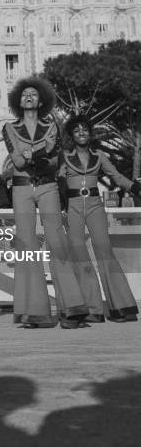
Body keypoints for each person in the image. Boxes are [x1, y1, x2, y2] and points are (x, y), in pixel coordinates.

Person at [2, 76, 88, 329]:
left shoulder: (53, 127)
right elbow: (17, 162)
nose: (29, 97)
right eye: (24, 94)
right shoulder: (9, 128)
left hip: (48, 186)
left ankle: (71, 309)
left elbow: (52, 162)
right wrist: (41, 152)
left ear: (42, 101)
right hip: (21, 189)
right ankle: (35, 312)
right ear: (18, 101)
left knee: (57, 240)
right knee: (27, 243)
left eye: (34, 94)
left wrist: (31, 155)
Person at [59, 114, 141, 323]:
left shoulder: (100, 155)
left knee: (104, 250)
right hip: (73, 206)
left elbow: (116, 177)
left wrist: (135, 187)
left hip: (96, 205)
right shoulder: (65, 157)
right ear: (71, 135)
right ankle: (92, 308)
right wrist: (61, 208)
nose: (81, 133)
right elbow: (59, 183)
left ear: (90, 133)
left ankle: (121, 306)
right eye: (76, 130)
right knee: (79, 253)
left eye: (84, 129)